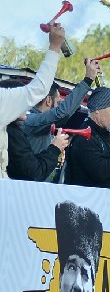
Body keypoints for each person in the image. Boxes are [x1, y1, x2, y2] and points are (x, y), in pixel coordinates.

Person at [0, 24, 65, 178]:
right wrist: (55, 47)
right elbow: (39, 89)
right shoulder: (13, 125)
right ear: (49, 101)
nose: (27, 107)